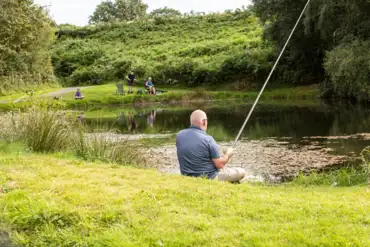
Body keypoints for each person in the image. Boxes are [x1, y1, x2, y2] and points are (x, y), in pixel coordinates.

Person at [176, 110, 246, 182]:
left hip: (187, 176)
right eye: (206, 120)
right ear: (204, 121)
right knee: (241, 172)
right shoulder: (208, 139)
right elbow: (220, 164)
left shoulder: (180, 135)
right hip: (209, 177)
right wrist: (228, 154)